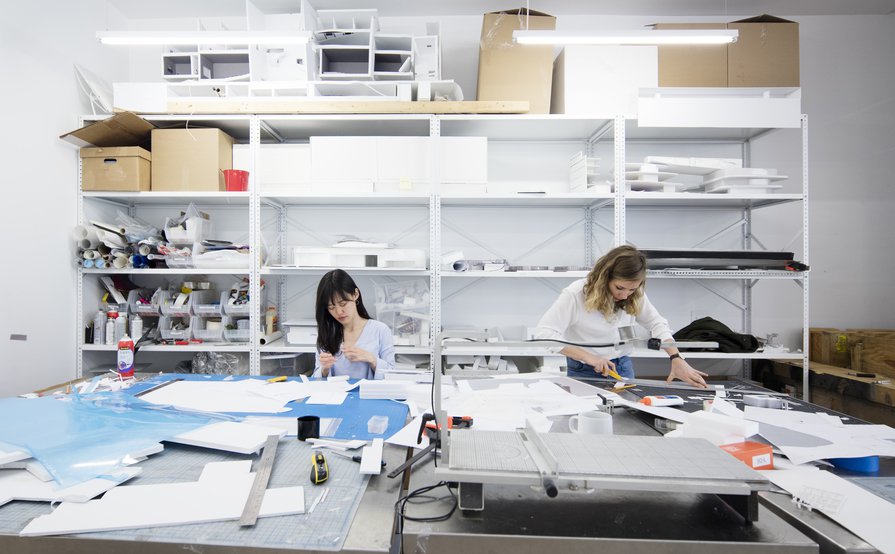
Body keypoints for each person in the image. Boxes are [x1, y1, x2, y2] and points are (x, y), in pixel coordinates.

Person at [535, 245, 708, 388]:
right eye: (620, 288)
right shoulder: (576, 294)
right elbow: (545, 335)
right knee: (589, 421)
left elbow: (656, 323)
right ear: (604, 278)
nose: (625, 296)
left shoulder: (633, 294)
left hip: (622, 367)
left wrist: (676, 357)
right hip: (584, 369)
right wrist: (590, 358)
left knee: (627, 418)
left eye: (632, 289)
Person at [313, 269, 396, 380]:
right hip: (337, 395)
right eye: (331, 307)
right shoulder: (327, 333)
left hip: (370, 395)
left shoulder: (380, 330)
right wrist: (324, 369)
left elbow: (393, 375)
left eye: (343, 303)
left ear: (355, 294)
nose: (338, 312)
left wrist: (372, 359)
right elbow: (315, 379)